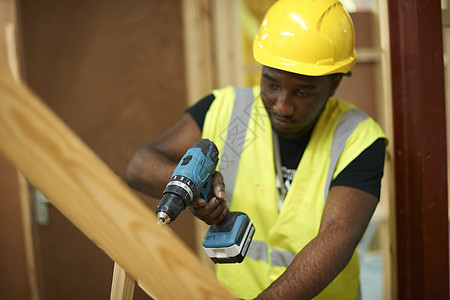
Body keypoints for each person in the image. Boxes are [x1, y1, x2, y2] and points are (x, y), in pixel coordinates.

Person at [126, 0, 387, 299]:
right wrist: (192, 185)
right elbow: (139, 166)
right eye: (272, 85)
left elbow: (338, 232)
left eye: (303, 92)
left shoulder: (358, 137)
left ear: (335, 83)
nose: (283, 106)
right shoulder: (226, 109)